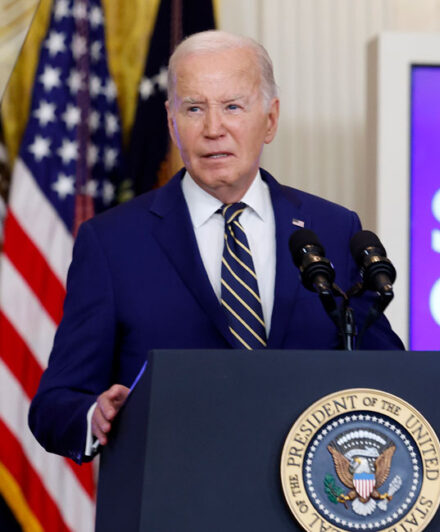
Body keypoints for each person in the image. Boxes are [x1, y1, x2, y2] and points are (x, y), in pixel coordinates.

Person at [28, 30, 404, 463]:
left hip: (309, 505)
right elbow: (55, 405)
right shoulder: (113, 243)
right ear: (171, 122)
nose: (213, 129)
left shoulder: (334, 229)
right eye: (194, 108)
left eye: (232, 107)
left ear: (270, 119)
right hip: (170, 503)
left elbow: (389, 377)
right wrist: (94, 414)